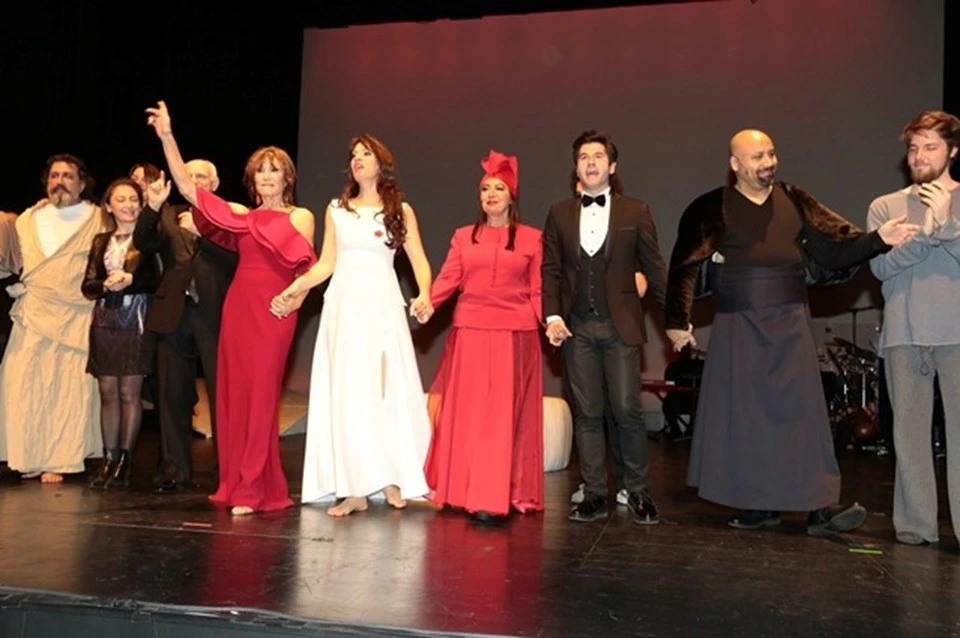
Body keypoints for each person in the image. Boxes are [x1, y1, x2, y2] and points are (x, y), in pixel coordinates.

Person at [665, 128, 918, 535]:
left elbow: (833, 247)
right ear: (735, 164)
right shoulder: (712, 207)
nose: (768, 162)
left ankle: (820, 507)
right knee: (747, 418)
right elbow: (685, 265)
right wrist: (677, 321)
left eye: (771, 153)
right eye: (757, 157)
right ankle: (757, 506)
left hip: (790, 322)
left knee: (803, 414)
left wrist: (877, 241)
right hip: (739, 325)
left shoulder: (794, 199)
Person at [146, 100, 316, 515]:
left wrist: (294, 298)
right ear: (252, 179)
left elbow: (307, 270)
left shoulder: (301, 216)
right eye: (261, 170)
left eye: (275, 169)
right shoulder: (242, 216)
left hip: (274, 312)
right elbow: (189, 189)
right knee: (236, 395)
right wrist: (167, 136)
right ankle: (237, 482)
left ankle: (254, 488)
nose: (267, 176)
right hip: (239, 308)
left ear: (287, 177)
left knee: (262, 395)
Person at [271, 134, 433, 517]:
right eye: (354, 155)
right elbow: (326, 264)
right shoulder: (337, 209)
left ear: (381, 163)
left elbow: (419, 261)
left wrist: (424, 293)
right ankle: (355, 488)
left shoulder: (400, 210)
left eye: (366, 153)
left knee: (385, 391)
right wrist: (296, 286)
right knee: (349, 393)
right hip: (343, 307)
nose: (358, 159)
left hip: (383, 307)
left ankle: (392, 478)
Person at [542, 130, 668, 524]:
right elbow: (551, 270)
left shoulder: (636, 211)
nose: (591, 162)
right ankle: (595, 493)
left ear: (612, 166)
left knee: (627, 409)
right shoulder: (559, 213)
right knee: (588, 413)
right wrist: (553, 316)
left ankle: (639, 491)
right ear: (576, 167)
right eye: (583, 157)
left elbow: (654, 266)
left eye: (598, 156)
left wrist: (675, 318)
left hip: (620, 327)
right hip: (576, 328)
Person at [422, 149, 544, 523]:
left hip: (514, 333)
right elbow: (448, 278)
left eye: (498, 188)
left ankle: (494, 496)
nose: (491, 195)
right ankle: (461, 490)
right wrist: (428, 303)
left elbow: (538, 289)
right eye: (485, 189)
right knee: (470, 414)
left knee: (501, 417)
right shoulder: (463, 237)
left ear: (512, 196)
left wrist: (551, 322)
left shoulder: (533, 238)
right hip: (471, 331)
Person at [868, 109, 960, 546]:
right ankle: (915, 525)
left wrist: (948, 227)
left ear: (952, 151)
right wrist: (927, 233)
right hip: (904, 335)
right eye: (913, 147)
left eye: (930, 146)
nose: (919, 155)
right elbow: (881, 268)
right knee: (908, 437)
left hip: (957, 335)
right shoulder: (885, 206)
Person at [133, 158, 238, 493]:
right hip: (172, 313)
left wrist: (205, 232)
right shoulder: (168, 213)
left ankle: (228, 470)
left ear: (215, 183)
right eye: (188, 175)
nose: (194, 180)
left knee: (224, 395)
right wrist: (152, 206)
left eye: (201, 176)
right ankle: (174, 470)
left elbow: (240, 258)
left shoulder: (232, 216)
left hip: (216, 313)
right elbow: (143, 242)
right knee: (171, 394)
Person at [0, 154, 107, 483]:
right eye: (54, 176)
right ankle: (29, 456)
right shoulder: (27, 219)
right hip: (33, 312)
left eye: (68, 176)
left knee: (68, 390)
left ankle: (62, 459)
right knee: (24, 384)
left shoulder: (99, 218)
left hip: (76, 314)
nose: (60, 181)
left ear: (82, 183)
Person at [83, 177, 165, 488]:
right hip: (105, 318)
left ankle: (125, 462)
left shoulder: (148, 239)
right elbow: (87, 287)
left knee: (130, 393)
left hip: (137, 318)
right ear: (108, 206)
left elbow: (157, 280)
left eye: (134, 199)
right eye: (121, 199)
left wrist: (131, 281)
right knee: (107, 392)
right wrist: (104, 285)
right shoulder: (100, 241)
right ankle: (109, 457)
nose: (128, 205)